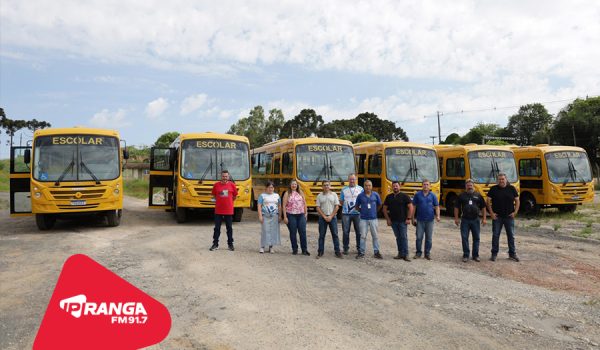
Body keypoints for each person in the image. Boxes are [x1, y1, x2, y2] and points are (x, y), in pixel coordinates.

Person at [486, 173, 520, 262]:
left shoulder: (512, 188)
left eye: (503, 179)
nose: (501, 181)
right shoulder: (493, 189)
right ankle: (494, 254)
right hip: (497, 217)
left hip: (509, 217)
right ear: (498, 180)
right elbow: (488, 201)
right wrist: (491, 213)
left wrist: (515, 212)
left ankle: (512, 254)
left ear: (506, 179)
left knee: (511, 236)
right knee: (495, 235)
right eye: (500, 179)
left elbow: (517, 200)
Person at [454, 179, 487, 262]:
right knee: (464, 237)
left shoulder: (478, 195)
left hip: (475, 220)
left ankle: (475, 255)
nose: (469, 187)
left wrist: (484, 218)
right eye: (468, 186)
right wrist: (456, 218)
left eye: (471, 185)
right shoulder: (461, 195)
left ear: (473, 186)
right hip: (465, 220)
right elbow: (456, 207)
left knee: (476, 238)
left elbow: (483, 207)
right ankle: (466, 255)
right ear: (465, 186)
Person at [383, 181, 414, 261]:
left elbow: (411, 207)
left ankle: (406, 254)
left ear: (399, 186)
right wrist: (388, 219)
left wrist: (409, 218)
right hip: (393, 221)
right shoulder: (389, 197)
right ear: (392, 187)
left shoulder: (405, 196)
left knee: (403, 237)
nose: (395, 187)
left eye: (396, 186)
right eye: (394, 186)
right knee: (398, 237)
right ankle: (400, 253)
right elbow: (384, 209)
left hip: (403, 221)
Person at [412, 179, 440, 260]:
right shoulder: (417, 195)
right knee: (419, 237)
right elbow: (414, 207)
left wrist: (438, 216)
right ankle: (418, 253)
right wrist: (412, 218)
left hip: (430, 220)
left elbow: (437, 206)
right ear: (422, 185)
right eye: (424, 184)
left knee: (429, 238)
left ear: (430, 186)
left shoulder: (433, 195)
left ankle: (427, 253)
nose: (426, 186)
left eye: (427, 184)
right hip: (420, 220)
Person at [210, 170, 238, 251]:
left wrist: (228, 202)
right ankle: (215, 244)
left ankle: (230, 244)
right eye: (223, 176)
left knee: (229, 228)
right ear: (221, 176)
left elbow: (235, 196)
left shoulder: (232, 185)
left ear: (228, 177)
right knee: (217, 228)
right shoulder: (216, 185)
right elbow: (214, 196)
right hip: (218, 210)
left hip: (229, 210)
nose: (224, 178)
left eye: (226, 176)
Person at [355, 180, 383, 259]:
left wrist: (375, 211)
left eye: (369, 185)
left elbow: (380, 205)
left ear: (372, 186)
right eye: (366, 185)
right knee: (363, 236)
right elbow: (356, 207)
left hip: (373, 219)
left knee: (375, 236)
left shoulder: (376, 195)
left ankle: (376, 252)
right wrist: (362, 211)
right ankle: (361, 252)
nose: (368, 187)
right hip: (363, 219)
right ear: (364, 187)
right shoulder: (360, 196)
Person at [315, 181, 343, 259]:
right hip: (322, 218)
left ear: (330, 186)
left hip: (332, 217)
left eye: (327, 185)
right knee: (321, 235)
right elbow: (317, 207)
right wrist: (324, 216)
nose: (326, 186)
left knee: (335, 235)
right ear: (322, 187)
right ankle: (320, 252)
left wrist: (331, 216)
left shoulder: (334, 195)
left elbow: (337, 206)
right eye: (324, 185)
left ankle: (337, 252)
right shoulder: (319, 196)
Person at [282, 180, 310, 256]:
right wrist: (285, 217)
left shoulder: (301, 192)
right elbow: (284, 206)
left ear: (297, 185)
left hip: (301, 215)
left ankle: (304, 250)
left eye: (295, 184)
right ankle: (295, 249)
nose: (294, 185)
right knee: (293, 232)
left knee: (303, 232)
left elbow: (305, 203)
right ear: (290, 185)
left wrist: (306, 213)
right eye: (292, 184)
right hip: (291, 215)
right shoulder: (287, 193)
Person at [340, 174, 363, 255]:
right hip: (346, 214)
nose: (352, 181)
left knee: (359, 232)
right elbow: (341, 201)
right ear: (348, 180)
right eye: (350, 179)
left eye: (353, 179)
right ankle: (345, 248)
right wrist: (347, 208)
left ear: (356, 179)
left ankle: (360, 248)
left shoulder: (360, 189)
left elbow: (363, 200)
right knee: (346, 231)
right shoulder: (344, 189)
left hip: (358, 214)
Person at [258, 181, 282, 254]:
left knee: (273, 231)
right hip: (265, 216)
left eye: (272, 187)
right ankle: (262, 246)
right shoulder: (262, 196)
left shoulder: (277, 196)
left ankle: (271, 247)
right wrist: (260, 216)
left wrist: (280, 216)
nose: (270, 189)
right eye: (269, 187)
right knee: (265, 231)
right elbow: (259, 206)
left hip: (274, 216)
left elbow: (279, 206)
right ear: (266, 188)